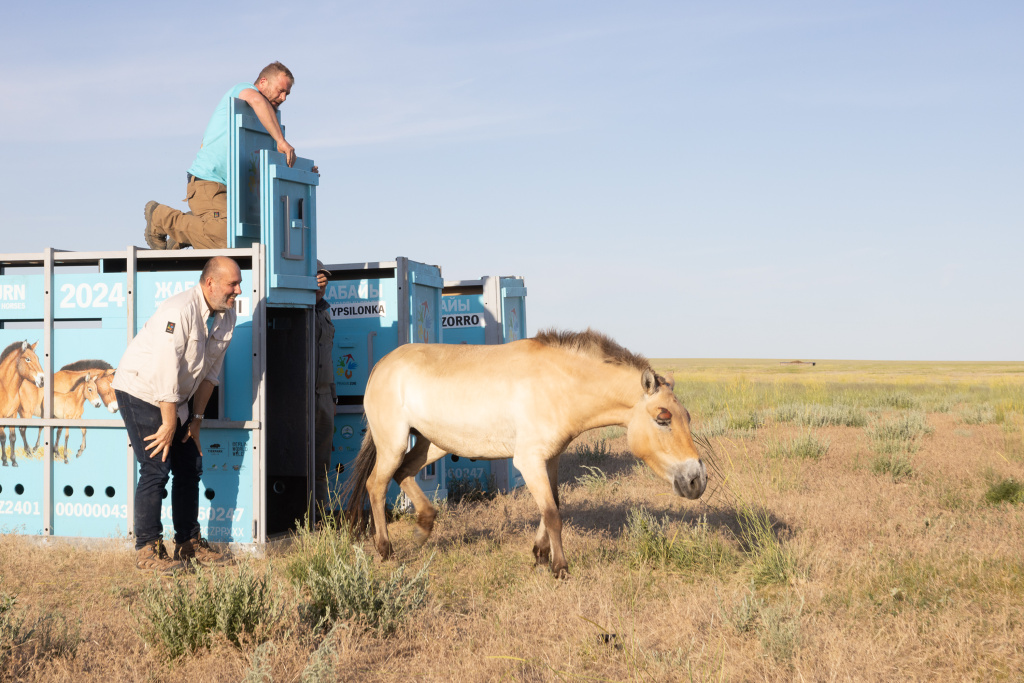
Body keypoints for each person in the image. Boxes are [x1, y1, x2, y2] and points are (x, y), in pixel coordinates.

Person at [112, 256, 242, 573]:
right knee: (157, 466)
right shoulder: (178, 311)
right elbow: (164, 369)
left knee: (190, 465)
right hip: (142, 390)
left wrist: (195, 421)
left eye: (238, 284)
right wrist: (170, 422)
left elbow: (211, 373)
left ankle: (187, 543)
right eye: (232, 284)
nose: (237, 291)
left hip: (178, 398)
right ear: (210, 283)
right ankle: (148, 549)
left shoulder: (227, 314)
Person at [143, 62, 302, 250]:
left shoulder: (264, 122)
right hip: (208, 183)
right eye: (280, 90)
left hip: (237, 195)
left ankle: (186, 233)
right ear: (263, 82)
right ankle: (161, 217)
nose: (283, 98)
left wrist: (302, 169)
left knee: (253, 239)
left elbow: (271, 160)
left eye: (287, 94)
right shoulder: (243, 90)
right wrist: (281, 141)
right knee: (228, 240)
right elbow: (257, 101)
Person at [313, 260, 336, 520]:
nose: (322, 282)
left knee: (322, 462)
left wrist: (333, 397)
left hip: (324, 397)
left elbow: (328, 358)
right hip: (302, 397)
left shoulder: (325, 312)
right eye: (317, 277)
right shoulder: (301, 309)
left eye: (324, 277)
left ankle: (320, 517)